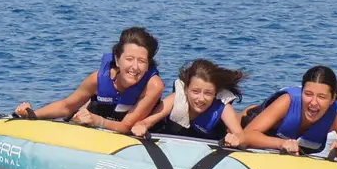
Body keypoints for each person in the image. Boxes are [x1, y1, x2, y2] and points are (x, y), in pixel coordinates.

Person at [13, 27, 164, 134]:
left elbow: (127, 126)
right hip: (97, 121)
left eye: (142, 61)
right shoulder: (98, 79)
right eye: (129, 59)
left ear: (148, 65)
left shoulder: (153, 85)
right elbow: (66, 106)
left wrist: (97, 121)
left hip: (126, 130)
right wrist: (32, 115)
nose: (135, 67)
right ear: (117, 60)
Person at [238, 65, 337, 166]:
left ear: (332, 99)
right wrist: (282, 143)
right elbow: (246, 135)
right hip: (237, 125)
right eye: (308, 94)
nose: (313, 102)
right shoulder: (288, 101)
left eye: (322, 97)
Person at [130, 59, 246, 145]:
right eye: (195, 91)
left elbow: (242, 137)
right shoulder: (175, 99)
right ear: (186, 89)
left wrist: (236, 139)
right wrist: (140, 127)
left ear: (215, 93)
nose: (201, 99)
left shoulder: (223, 109)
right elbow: (146, 122)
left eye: (208, 93)